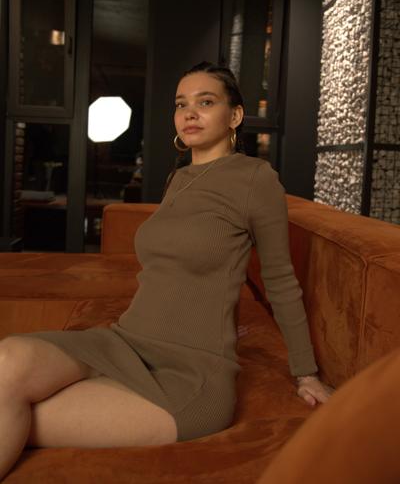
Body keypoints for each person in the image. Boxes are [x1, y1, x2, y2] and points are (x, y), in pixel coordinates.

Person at [0, 61, 332, 479]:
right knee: (8, 357)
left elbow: (281, 280)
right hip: (124, 341)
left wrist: (305, 373)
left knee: (23, 414)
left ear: (234, 116)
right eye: (181, 104)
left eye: (205, 102)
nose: (190, 113)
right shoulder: (179, 178)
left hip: (189, 373)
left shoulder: (255, 178)